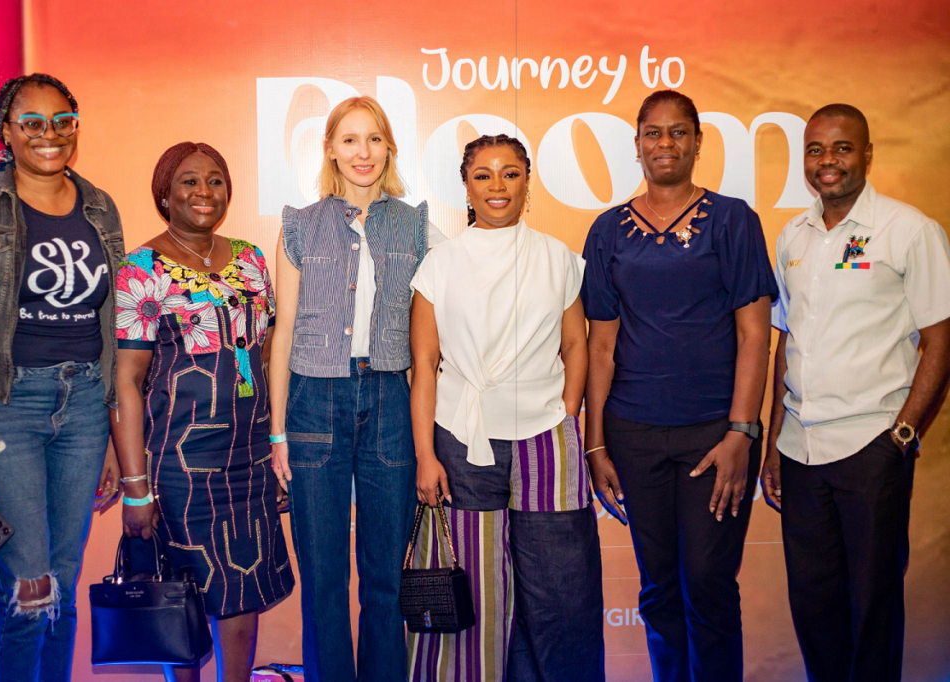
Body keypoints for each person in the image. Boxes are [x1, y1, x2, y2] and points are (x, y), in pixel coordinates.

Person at [0, 73, 123, 682]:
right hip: (5, 406)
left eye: (61, 121)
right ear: (6, 133)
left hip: (86, 401)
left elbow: (110, 325)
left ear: (76, 125)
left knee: (61, 587)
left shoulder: (99, 204)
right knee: (28, 589)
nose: (49, 135)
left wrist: (115, 433)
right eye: (32, 123)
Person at [581, 90, 778, 682]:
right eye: (652, 133)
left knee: (709, 587)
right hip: (634, 435)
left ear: (697, 141)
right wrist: (595, 445)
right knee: (659, 588)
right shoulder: (608, 230)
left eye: (678, 133)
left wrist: (742, 431)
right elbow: (601, 345)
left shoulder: (733, 218)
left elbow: (754, 334)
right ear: (637, 144)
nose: (665, 144)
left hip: (715, 435)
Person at [760, 104, 950, 682]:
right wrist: (772, 443)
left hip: (872, 446)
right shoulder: (793, 233)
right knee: (814, 605)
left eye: (841, 148)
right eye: (815, 150)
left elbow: (940, 339)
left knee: (872, 607)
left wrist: (904, 433)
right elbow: (784, 344)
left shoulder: (908, 230)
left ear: (867, 153)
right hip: (800, 451)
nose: (827, 162)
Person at [409, 133, 604, 681]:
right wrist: (426, 455)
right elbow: (424, 366)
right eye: (484, 175)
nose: (498, 186)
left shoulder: (557, 258)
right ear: (466, 187)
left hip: (547, 435)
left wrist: (565, 414)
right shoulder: (439, 264)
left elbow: (575, 345)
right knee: (475, 585)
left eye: (510, 173)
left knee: (562, 584)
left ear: (527, 182)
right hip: (461, 439)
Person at [113, 141, 294, 682]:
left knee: (242, 586)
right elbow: (126, 380)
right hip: (180, 463)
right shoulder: (141, 269)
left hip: (250, 456)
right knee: (183, 592)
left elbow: (266, 352)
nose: (204, 192)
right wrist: (136, 488)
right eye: (188, 181)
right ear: (165, 194)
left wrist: (278, 440)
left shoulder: (251, 258)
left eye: (215, 180)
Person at [268, 96, 430, 682]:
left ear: (389, 148)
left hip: (389, 398)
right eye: (350, 139)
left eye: (375, 139)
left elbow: (427, 337)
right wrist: (279, 431)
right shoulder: (299, 224)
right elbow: (281, 335)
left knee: (386, 577)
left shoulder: (413, 224)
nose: (363, 152)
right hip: (314, 401)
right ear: (331, 149)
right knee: (323, 577)